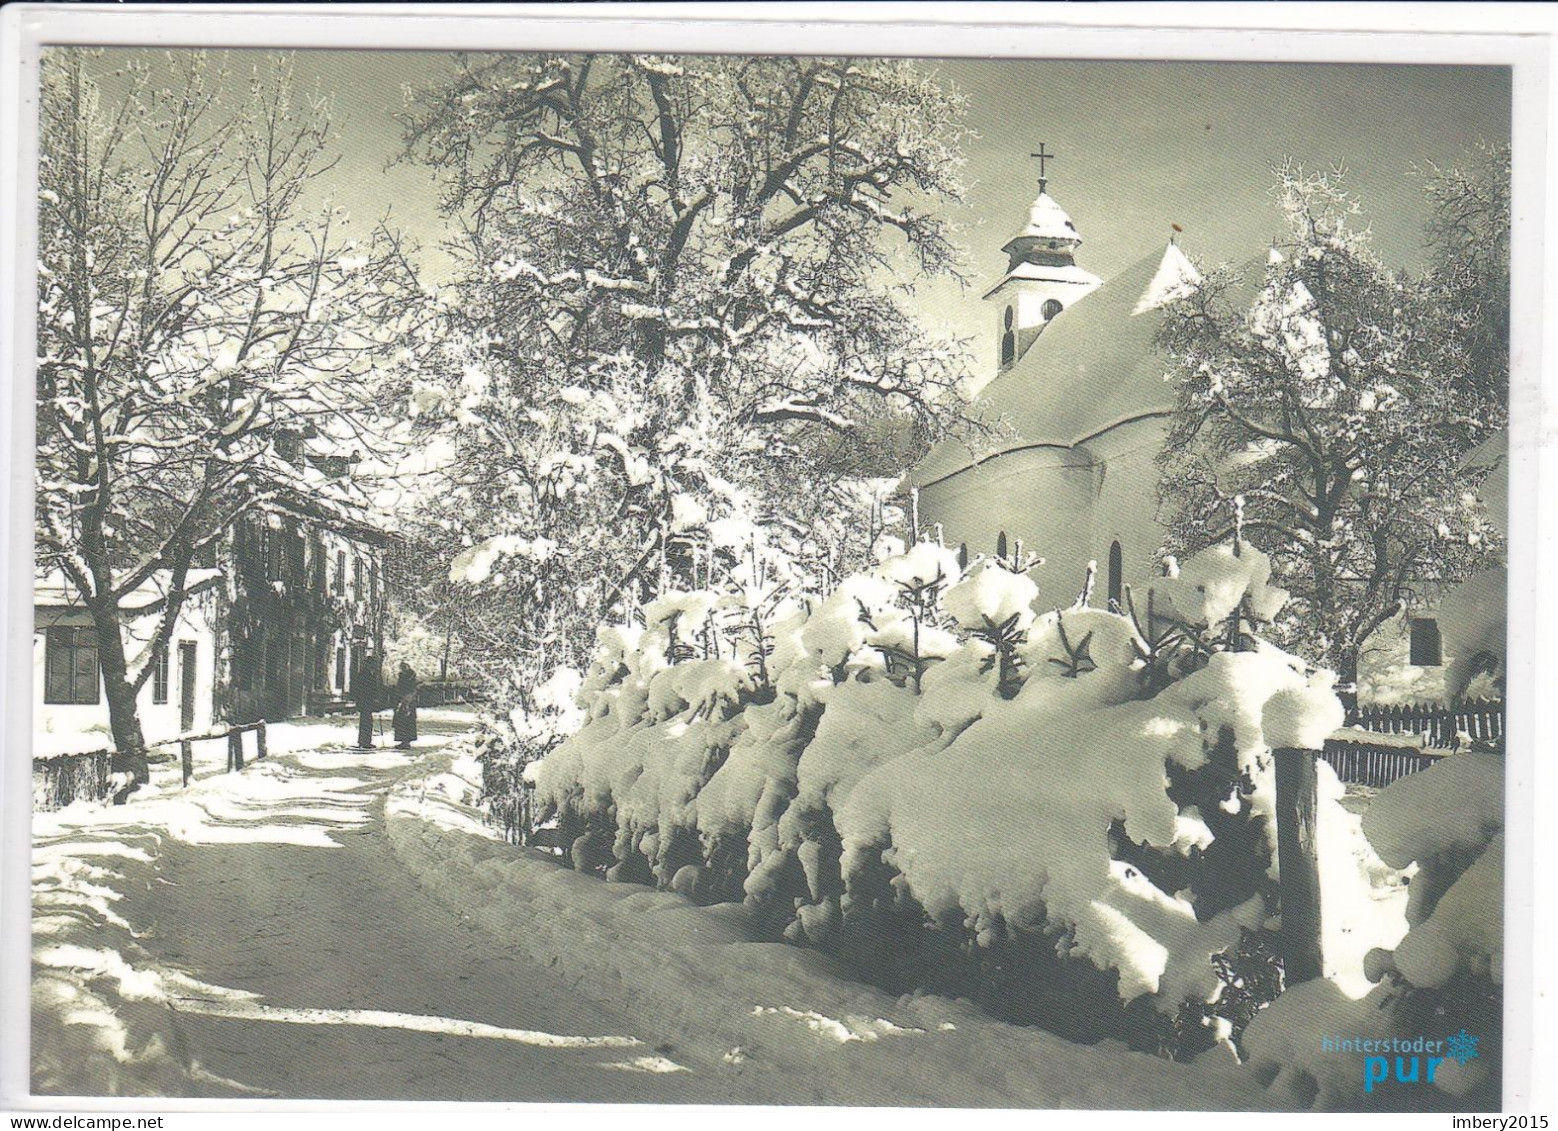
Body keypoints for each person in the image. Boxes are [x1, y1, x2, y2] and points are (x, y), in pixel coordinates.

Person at [392, 662, 419, 750]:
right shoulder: (407, 677)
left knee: (406, 721)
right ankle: (404, 740)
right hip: (404, 701)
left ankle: (406, 741)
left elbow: (406, 689)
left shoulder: (408, 677)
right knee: (403, 722)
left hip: (406, 702)